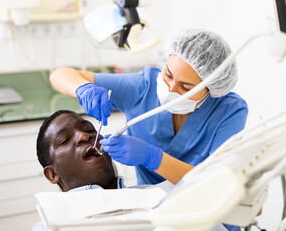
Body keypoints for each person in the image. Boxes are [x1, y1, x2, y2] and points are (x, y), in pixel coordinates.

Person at [49, 29, 248, 186]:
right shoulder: (144, 87)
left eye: (185, 87)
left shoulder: (229, 112)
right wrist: (83, 89)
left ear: (212, 89)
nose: (170, 88)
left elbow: (214, 183)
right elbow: (59, 74)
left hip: (206, 212)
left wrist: (153, 158)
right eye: (168, 75)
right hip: (150, 212)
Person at [33, 110, 235, 231]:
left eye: (89, 130)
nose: (83, 137)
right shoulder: (49, 226)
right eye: (64, 140)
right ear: (52, 174)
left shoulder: (162, 196)